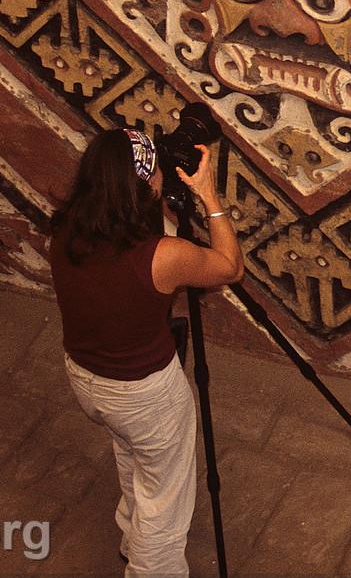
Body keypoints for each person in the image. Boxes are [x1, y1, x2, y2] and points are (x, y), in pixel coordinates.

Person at [49, 121, 242, 578]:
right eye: (155, 172)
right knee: (166, 502)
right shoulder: (163, 256)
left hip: (86, 379)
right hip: (144, 395)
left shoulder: (67, 227)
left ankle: (128, 534)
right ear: (143, 186)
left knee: (131, 455)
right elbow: (230, 267)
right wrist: (209, 196)